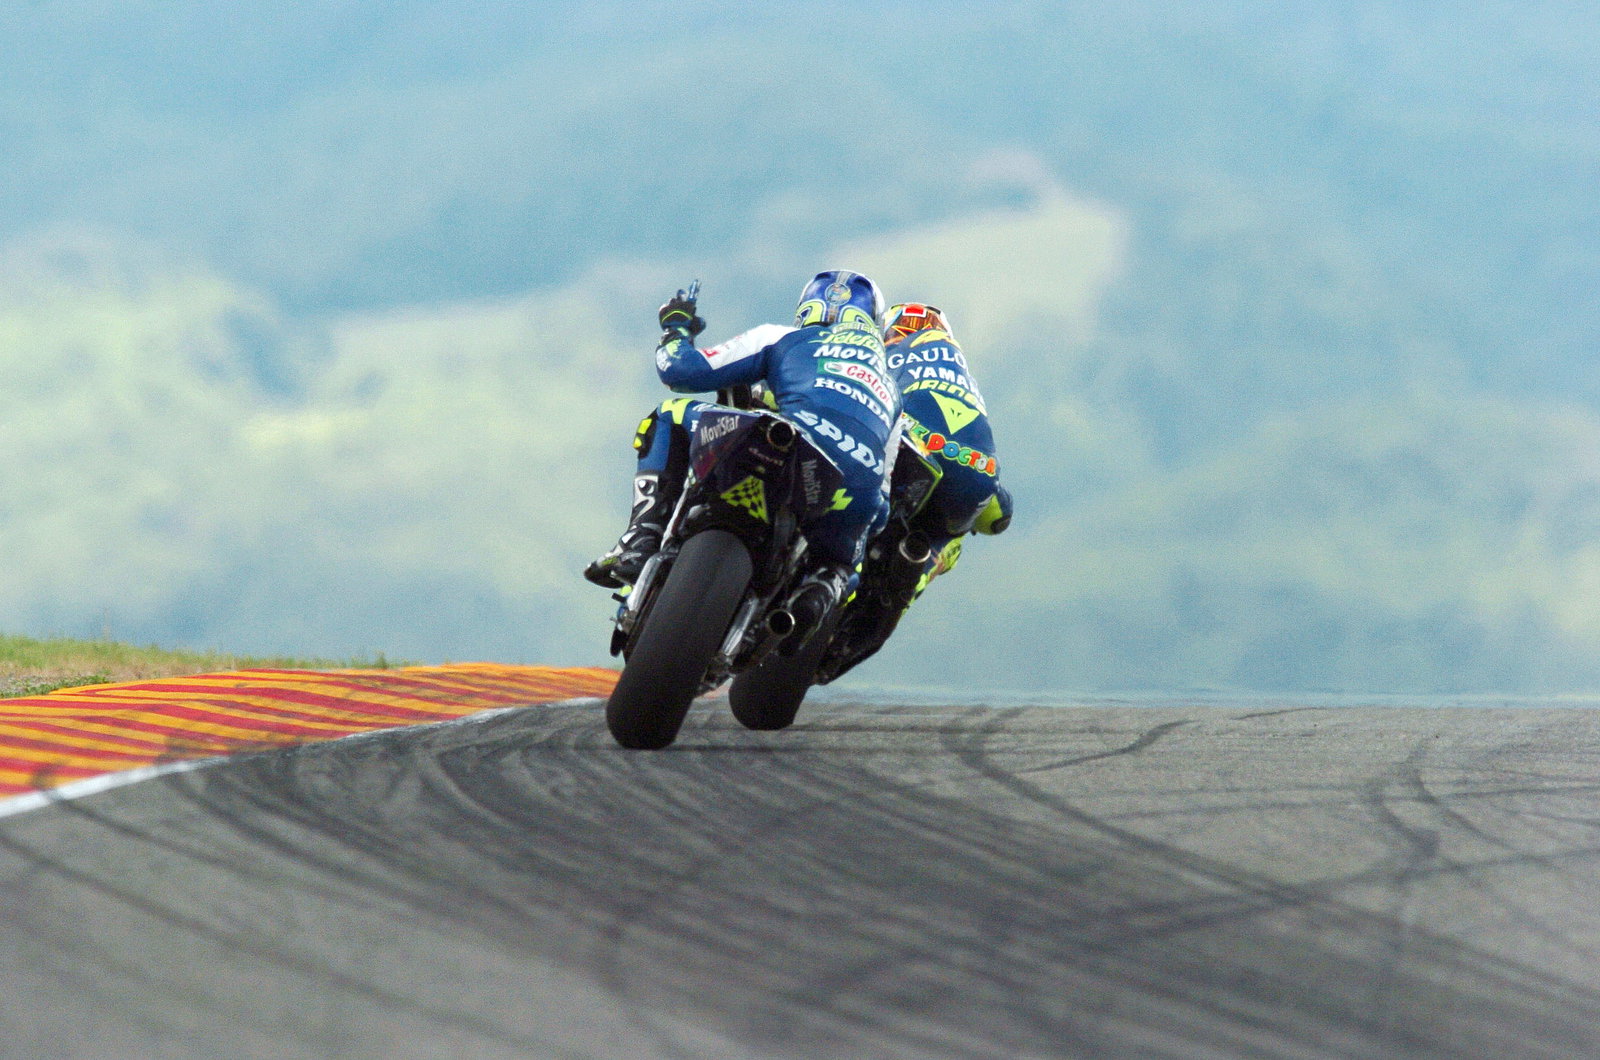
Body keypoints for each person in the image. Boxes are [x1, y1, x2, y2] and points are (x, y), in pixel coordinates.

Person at [585, 270, 901, 645]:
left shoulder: (782, 338)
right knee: (840, 563)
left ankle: (641, 538)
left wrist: (675, 326)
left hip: (790, 440)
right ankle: (817, 595)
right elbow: (883, 502)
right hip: (855, 486)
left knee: (668, 414)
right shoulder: (892, 388)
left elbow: (679, 369)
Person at [826, 301, 1012, 676]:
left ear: (890, 329)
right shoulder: (963, 374)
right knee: (948, 540)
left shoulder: (881, 351)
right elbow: (998, 519)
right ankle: (913, 573)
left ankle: (838, 547)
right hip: (978, 473)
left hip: (909, 442)